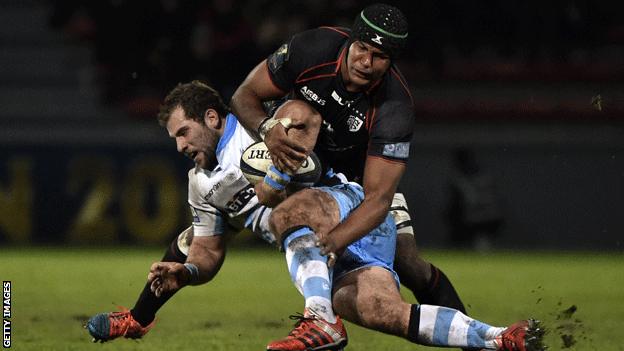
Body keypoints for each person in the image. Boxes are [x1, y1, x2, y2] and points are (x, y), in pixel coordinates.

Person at [229, 3, 470, 350]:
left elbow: (378, 200)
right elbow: (244, 96)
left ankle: (471, 340)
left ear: (392, 61)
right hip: (298, 166)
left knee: (410, 263)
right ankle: (323, 320)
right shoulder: (312, 49)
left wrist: (332, 243)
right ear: (350, 40)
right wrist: (268, 129)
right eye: (362, 48)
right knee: (297, 113)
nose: (365, 62)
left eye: (379, 57)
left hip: (357, 185)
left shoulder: (395, 107)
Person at [85, 80, 275, 342]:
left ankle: (321, 314)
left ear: (211, 118)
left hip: (328, 216)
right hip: (288, 232)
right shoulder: (200, 181)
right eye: (175, 138)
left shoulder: (256, 128)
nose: (180, 147)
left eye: (184, 132)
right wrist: (186, 273)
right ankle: (138, 318)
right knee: (191, 241)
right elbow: (207, 250)